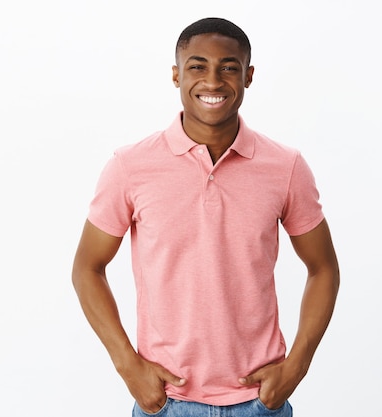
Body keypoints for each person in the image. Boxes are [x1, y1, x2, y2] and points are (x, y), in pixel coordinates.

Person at [71, 17, 340, 417]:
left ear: (248, 76)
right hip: (166, 401)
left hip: (259, 401)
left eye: (228, 67)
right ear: (176, 75)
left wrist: (297, 366)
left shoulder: (285, 166)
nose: (213, 81)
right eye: (197, 66)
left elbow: (323, 268)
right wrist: (128, 366)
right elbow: (87, 268)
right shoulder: (130, 166)